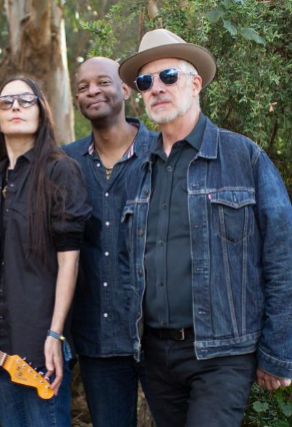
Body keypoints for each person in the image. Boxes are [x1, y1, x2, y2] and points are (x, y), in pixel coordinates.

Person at [118, 29, 292, 427]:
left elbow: (282, 256)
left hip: (222, 354)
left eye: (168, 76)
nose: (156, 88)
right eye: (145, 82)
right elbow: (127, 263)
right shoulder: (136, 170)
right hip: (155, 357)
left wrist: (278, 350)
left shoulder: (244, 157)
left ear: (195, 84)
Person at [0, 76, 91, 427]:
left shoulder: (60, 170)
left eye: (25, 100)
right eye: (6, 102)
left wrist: (55, 334)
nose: (15, 107)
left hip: (39, 341)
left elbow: (69, 262)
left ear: (41, 111)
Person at [62, 57, 156, 427]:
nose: (92, 91)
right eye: (83, 87)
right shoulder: (65, 161)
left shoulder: (161, 152)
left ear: (126, 89)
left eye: (102, 82)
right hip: (96, 336)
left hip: (160, 335)